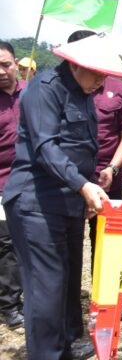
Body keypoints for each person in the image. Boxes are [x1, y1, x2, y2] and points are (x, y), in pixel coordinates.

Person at [2, 33, 122, 360]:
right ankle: (46, 353)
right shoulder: (43, 90)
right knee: (47, 287)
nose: (101, 81)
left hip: (68, 201)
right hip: (36, 202)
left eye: (105, 74)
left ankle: (68, 344)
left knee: (69, 282)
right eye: (96, 72)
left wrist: (86, 186)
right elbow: (46, 148)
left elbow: (82, 146)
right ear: (74, 65)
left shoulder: (85, 92)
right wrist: (83, 187)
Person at [67, 30, 122, 274]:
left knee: (107, 238)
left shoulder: (119, 90)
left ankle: (108, 299)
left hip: (107, 178)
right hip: (65, 179)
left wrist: (113, 167)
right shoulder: (55, 91)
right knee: (67, 240)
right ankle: (66, 299)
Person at [0, 41, 23, 332]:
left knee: (31, 242)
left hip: (33, 185)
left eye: (6, 64)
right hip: (2, 185)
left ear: (16, 63)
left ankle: (30, 298)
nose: (1, 71)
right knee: (6, 246)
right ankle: (10, 306)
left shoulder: (33, 94)